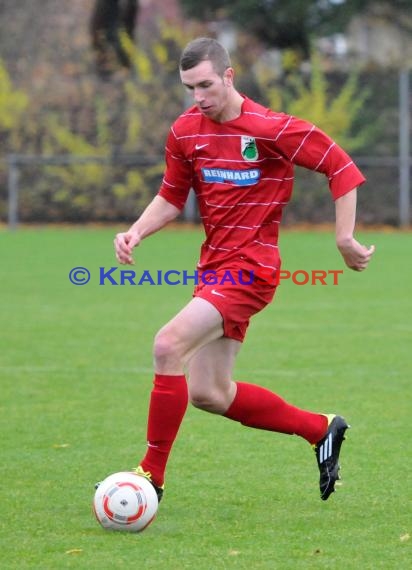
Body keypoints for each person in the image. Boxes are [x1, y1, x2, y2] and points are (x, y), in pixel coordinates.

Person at [112, 37, 375, 504]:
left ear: (229, 76)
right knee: (209, 392)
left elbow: (341, 166)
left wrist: (344, 238)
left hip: (251, 268)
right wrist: (136, 232)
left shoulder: (272, 128)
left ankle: (150, 475)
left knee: (168, 344)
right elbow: (172, 196)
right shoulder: (185, 130)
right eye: (190, 87)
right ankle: (320, 429)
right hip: (212, 269)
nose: (198, 96)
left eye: (206, 85)